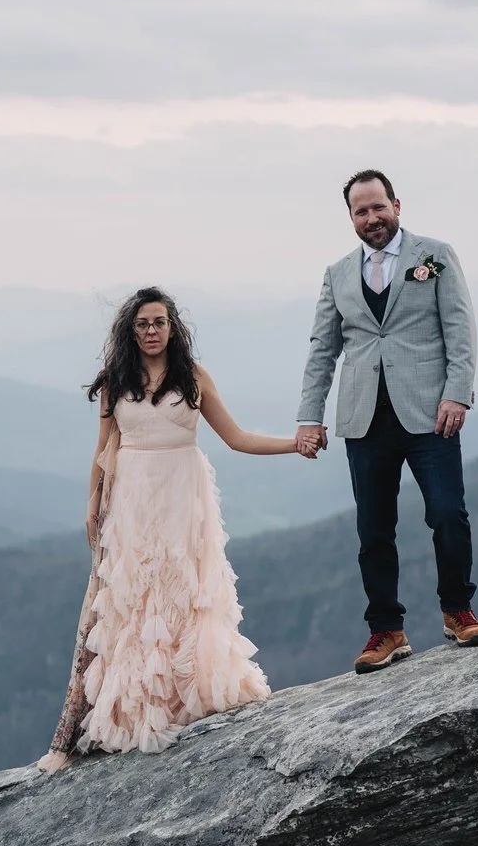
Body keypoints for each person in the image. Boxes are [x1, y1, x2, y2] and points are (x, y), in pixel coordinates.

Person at [37, 287, 299, 770]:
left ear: (172, 327)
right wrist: (92, 503)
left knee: (186, 591)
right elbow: (103, 448)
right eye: (142, 324)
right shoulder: (116, 380)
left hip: (183, 494)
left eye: (159, 322)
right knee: (135, 596)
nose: (151, 331)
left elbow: (237, 438)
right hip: (132, 496)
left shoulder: (194, 378)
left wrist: (295, 445)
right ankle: (138, 704)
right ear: (130, 330)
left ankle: (185, 694)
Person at [295, 168, 478, 672]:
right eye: (361, 211)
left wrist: (458, 395)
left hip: (430, 412)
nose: (371, 218)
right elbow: (323, 349)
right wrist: (308, 417)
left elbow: (460, 330)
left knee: (448, 514)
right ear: (351, 219)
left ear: (396, 206)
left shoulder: (435, 256)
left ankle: (457, 611)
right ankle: (386, 630)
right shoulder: (337, 274)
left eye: (378, 207)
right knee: (373, 530)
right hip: (364, 419)